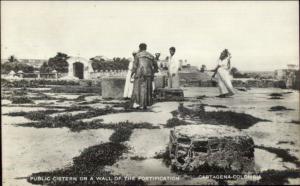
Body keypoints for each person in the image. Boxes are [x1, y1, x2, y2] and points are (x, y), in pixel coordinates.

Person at [131, 43, 157, 109]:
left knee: (138, 89)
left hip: (139, 74)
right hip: (148, 74)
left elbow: (135, 66)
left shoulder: (137, 55)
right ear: (146, 48)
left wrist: (132, 73)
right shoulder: (151, 55)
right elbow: (156, 67)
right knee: (147, 89)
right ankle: (146, 104)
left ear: (139, 48)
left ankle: (139, 104)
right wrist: (152, 72)